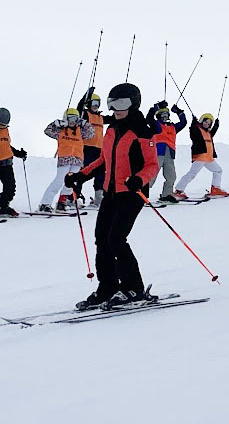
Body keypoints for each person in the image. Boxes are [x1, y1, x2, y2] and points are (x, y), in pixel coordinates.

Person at [65, 83, 160, 310]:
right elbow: (104, 161)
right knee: (101, 239)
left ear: (134, 103)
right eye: (112, 104)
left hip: (132, 193)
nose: (116, 109)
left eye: (122, 104)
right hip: (111, 193)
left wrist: (139, 179)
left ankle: (134, 288)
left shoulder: (142, 131)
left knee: (116, 239)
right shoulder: (112, 129)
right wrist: (81, 176)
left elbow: (152, 165)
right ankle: (107, 287)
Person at [40, 108, 94, 212]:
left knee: (70, 183)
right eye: (70, 118)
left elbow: (91, 133)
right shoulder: (61, 130)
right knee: (59, 181)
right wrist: (57, 123)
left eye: (75, 119)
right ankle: (45, 203)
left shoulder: (80, 131)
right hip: (65, 159)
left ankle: (62, 202)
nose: (73, 121)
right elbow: (47, 131)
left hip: (77, 160)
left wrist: (84, 123)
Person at [173, 113, 229, 199]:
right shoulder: (197, 131)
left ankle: (215, 188)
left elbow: (213, 132)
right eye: (206, 122)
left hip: (209, 158)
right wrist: (194, 123)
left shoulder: (208, 133)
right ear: (201, 121)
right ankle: (179, 190)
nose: (207, 124)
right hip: (200, 157)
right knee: (192, 174)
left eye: (209, 123)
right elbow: (193, 131)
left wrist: (216, 125)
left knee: (218, 170)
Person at [147, 101, 187, 204]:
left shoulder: (173, 127)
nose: (165, 116)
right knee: (152, 176)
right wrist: (156, 107)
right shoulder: (156, 125)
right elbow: (149, 119)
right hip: (158, 153)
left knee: (171, 176)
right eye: (163, 114)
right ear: (159, 116)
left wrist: (179, 112)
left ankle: (166, 195)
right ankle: (141, 194)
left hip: (170, 154)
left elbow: (183, 123)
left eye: (166, 114)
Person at [76, 89, 107, 207]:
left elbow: (115, 118)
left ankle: (99, 196)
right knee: (82, 171)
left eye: (98, 104)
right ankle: (75, 195)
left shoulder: (100, 117)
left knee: (100, 172)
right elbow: (78, 108)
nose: (96, 106)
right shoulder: (85, 115)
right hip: (86, 147)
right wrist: (86, 95)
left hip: (99, 149)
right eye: (93, 103)